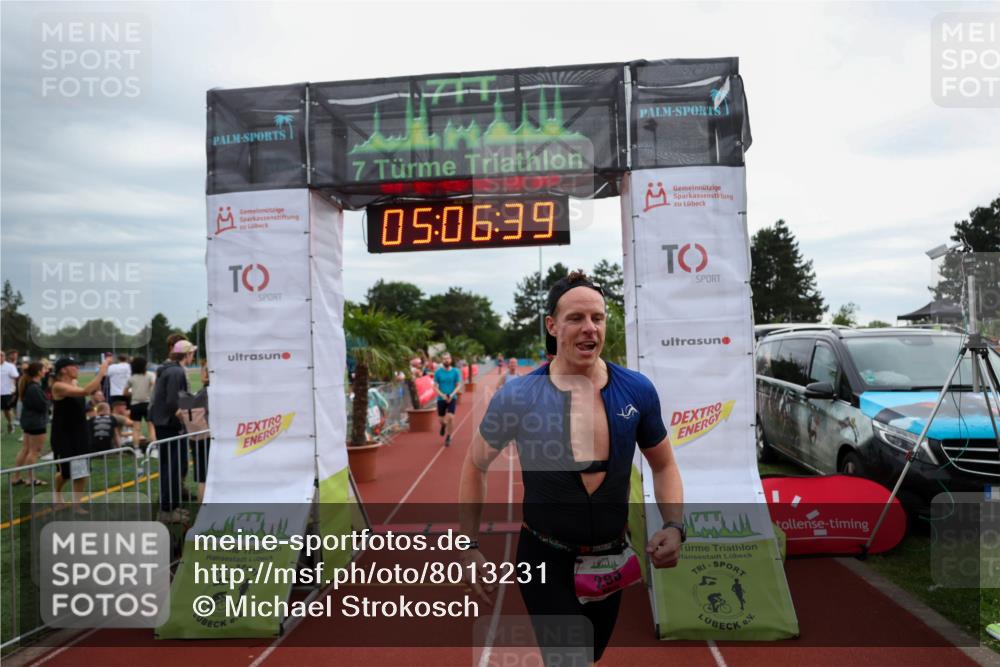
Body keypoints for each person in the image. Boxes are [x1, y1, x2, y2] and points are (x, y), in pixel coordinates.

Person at [459, 270, 684, 666]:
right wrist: (469, 546)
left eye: (597, 318)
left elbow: (663, 465)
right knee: (571, 658)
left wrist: (674, 525)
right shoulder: (520, 395)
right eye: (576, 318)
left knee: (590, 653)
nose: (589, 329)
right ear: (552, 325)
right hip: (544, 558)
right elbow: (475, 465)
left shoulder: (637, 389)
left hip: (611, 557)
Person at [51, 356, 111, 512]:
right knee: (65, 472)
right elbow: (86, 391)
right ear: (64, 369)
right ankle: (57, 494)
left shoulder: (74, 383)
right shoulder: (58, 386)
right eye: (74, 366)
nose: (77, 368)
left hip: (80, 432)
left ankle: (77, 504)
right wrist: (101, 372)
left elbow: (85, 397)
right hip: (64, 434)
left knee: (81, 470)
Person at [150, 339, 196, 522]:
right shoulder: (176, 371)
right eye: (191, 352)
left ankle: (171, 507)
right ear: (186, 354)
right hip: (170, 425)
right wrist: (187, 420)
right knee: (172, 468)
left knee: (172, 467)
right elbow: (172, 402)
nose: (192, 355)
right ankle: (167, 510)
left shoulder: (169, 369)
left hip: (164, 423)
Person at [10, 362, 49, 487]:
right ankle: (31, 479)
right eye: (44, 369)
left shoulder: (31, 386)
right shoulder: (34, 388)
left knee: (26, 449)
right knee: (34, 451)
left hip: (29, 421)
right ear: (38, 372)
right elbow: (42, 406)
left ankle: (16, 477)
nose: (46, 371)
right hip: (36, 423)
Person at [125, 356, 157, 446]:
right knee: (151, 427)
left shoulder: (132, 378)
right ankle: (154, 448)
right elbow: (154, 385)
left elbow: (125, 392)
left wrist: (134, 393)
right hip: (148, 403)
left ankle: (136, 449)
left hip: (135, 404)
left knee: (136, 429)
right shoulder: (150, 375)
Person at [433, 352, 462, 447]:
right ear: (442, 361)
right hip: (441, 398)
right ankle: (443, 425)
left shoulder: (455, 371)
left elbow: (458, 385)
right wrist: (443, 395)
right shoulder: (438, 372)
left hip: (452, 397)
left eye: (448, 358)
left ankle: (448, 437)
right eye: (444, 359)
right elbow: (435, 387)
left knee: (451, 417)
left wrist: (451, 395)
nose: (446, 360)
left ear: (451, 360)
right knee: (441, 419)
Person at [1, 350, 20, 433]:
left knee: (7, 410)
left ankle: (10, 423)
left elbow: (16, 377)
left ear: (4, 357)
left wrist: (14, 389)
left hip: (7, 392)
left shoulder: (10, 366)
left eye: (1, 356)